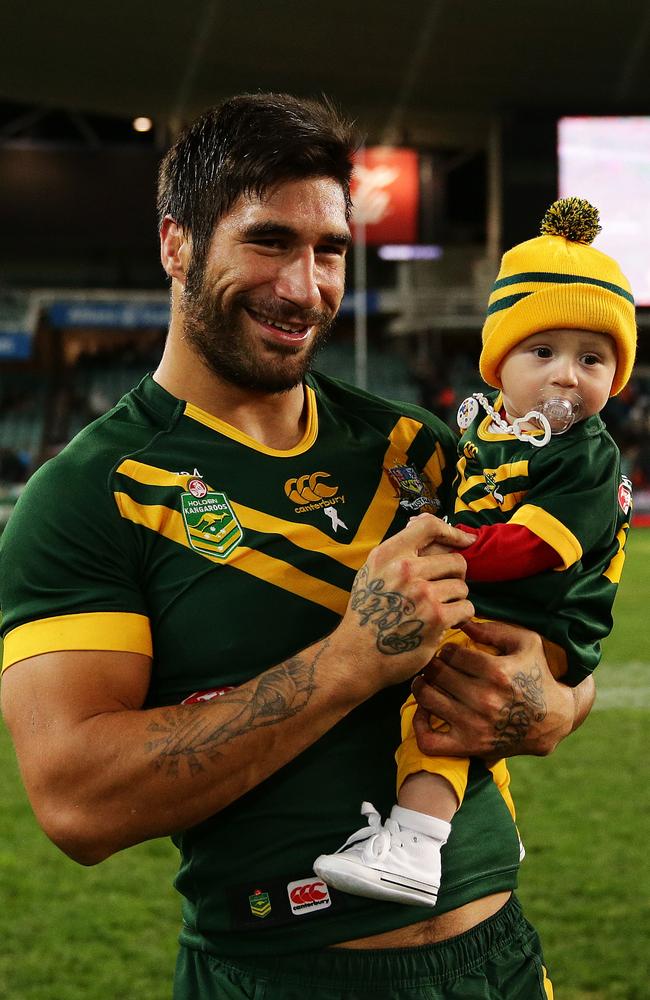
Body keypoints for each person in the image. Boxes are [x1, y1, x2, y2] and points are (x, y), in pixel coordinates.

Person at [0, 94, 595, 1000]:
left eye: (329, 252)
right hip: (281, 973)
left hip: (496, 960)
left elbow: (558, 627)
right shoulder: (88, 495)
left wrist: (555, 704)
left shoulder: (417, 447)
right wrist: (348, 663)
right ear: (176, 246)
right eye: (268, 242)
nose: (305, 286)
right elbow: (77, 801)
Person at [314, 197, 636, 911]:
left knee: (437, 699)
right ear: (499, 363)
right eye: (542, 352)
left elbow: (531, 545)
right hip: (509, 610)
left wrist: (445, 555)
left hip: (545, 629)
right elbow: (454, 498)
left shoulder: (585, 454)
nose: (565, 376)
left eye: (592, 359)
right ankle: (488, 830)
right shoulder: (494, 433)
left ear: (614, 378)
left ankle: (416, 846)